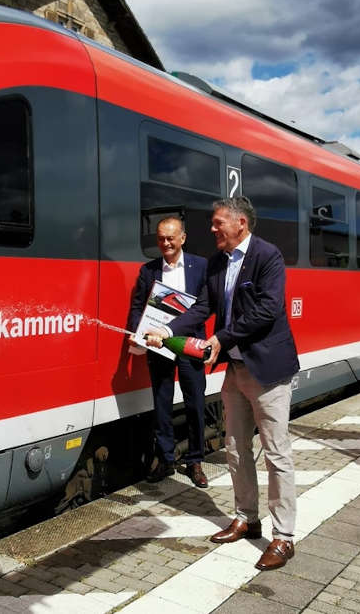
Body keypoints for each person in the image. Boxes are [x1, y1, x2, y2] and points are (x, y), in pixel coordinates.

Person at [146, 197, 299, 571]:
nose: (212, 230)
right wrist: (166, 330)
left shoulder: (268, 256)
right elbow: (202, 308)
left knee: (276, 454)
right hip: (236, 369)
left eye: (218, 223)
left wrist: (222, 339)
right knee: (234, 448)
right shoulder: (218, 262)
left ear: (241, 223)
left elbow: (268, 309)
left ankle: (284, 537)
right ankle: (247, 517)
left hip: (268, 370)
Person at [127, 216, 209, 487]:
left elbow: (203, 307)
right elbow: (138, 306)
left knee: (195, 403)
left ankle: (195, 461)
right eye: (161, 238)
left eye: (170, 238)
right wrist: (137, 335)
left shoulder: (201, 266)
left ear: (182, 238)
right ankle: (165, 459)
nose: (165, 243)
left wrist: (171, 330)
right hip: (158, 346)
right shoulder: (148, 271)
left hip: (189, 344)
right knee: (162, 403)